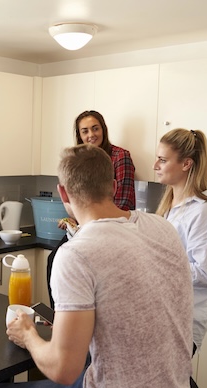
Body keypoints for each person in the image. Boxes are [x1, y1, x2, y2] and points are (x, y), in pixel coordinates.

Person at [0, 144, 193, 388]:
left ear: (63, 193)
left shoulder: (76, 254)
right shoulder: (162, 227)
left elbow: (64, 370)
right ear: (112, 184)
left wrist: (28, 335)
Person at [154, 128, 207, 388]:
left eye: (162, 159)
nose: (156, 165)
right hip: (167, 313)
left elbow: (206, 273)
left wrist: (158, 264)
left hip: (185, 318)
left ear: (186, 164)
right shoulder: (171, 205)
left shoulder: (203, 213)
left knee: (174, 383)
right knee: (177, 381)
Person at [46, 110, 136, 307]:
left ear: (103, 130)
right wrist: (72, 221)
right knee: (54, 259)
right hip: (82, 227)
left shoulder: (120, 157)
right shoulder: (78, 161)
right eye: (85, 131)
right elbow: (77, 199)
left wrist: (88, 224)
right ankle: (59, 316)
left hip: (112, 229)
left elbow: (123, 203)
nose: (91, 135)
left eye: (95, 129)